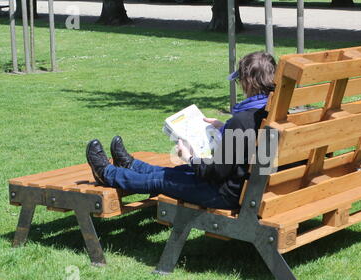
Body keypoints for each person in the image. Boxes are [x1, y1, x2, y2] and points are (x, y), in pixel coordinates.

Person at [86, 51, 276, 210]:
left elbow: (216, 172)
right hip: (253, 191)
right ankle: (131, 165)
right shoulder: (274, 115)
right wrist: (224, 127)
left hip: (226, 195)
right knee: (175, 173)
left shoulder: (241, 121)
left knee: (162, 180)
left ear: (248, 83)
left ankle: (107, 173)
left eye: (240, 81)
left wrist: (190, 157)